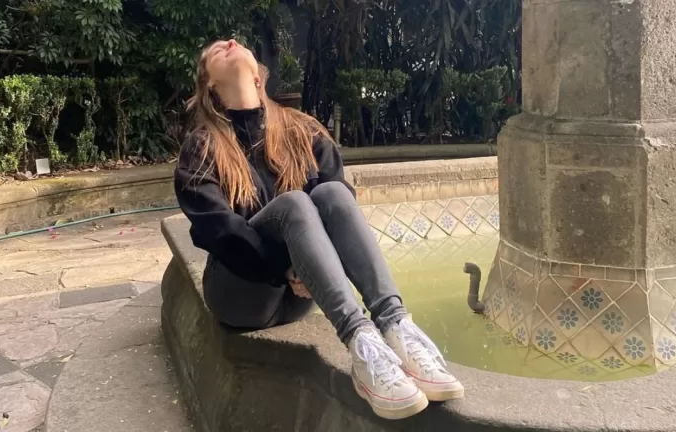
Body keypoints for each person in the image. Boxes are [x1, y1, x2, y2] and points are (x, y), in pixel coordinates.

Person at [173, 39, 464, 420]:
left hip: (303, 295)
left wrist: (310, 270)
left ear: (259, 76)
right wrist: (286, 267)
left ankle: (395, 327)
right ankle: (359, 341)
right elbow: (218, 230)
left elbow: (340, 217)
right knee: (295, 203)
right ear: (211, 86)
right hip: (240, 292)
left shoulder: (303, 129)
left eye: (235, 43)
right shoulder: (202, 146)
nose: (229, 43)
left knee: (333, 193)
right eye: (216, 51)